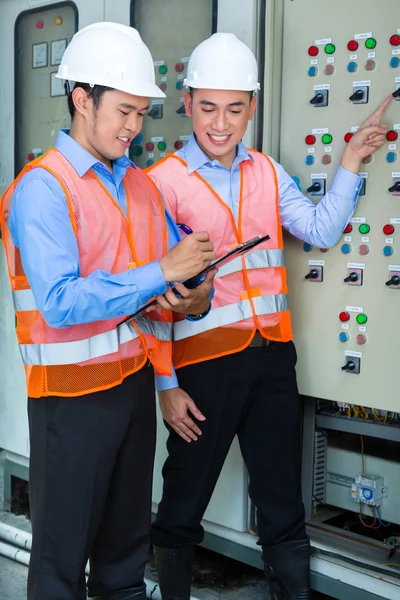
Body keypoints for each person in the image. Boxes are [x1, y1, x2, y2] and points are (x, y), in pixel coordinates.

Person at [146, 32, 393, 600]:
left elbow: (321, 230)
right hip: (203, 368)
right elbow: (155, 301)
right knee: (184, 495)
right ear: (187, 104)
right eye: (208, 107)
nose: (221, 123)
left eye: (235, 108)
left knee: (281, 495)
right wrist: (165, 384)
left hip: (273, 360)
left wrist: (352, 159)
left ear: (252, 107)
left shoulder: (267, 172)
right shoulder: (162, 185)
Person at [0, 22, 215, 600]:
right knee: (59, 567)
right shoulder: (42, 189)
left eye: (142, 113)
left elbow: (171, 281)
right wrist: (163, 272)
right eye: (124, 111)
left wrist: (196, 293)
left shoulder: (140, 187)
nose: (134, 128)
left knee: (124, 560)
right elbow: (62, 302)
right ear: (82, 100)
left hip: (132, 389)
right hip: (68, 402)